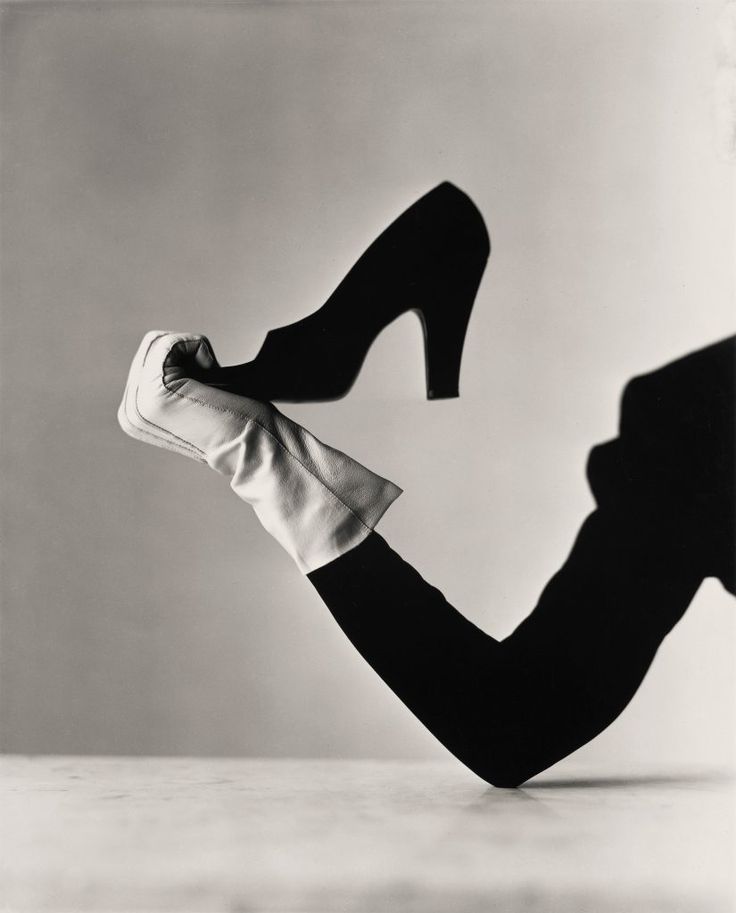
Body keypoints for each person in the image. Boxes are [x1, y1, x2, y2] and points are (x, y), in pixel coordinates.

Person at [119, 328, 734, 788]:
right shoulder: (697, 423)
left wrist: (255, 452)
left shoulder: (691, 417)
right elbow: (520, 720)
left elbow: (518, 722)